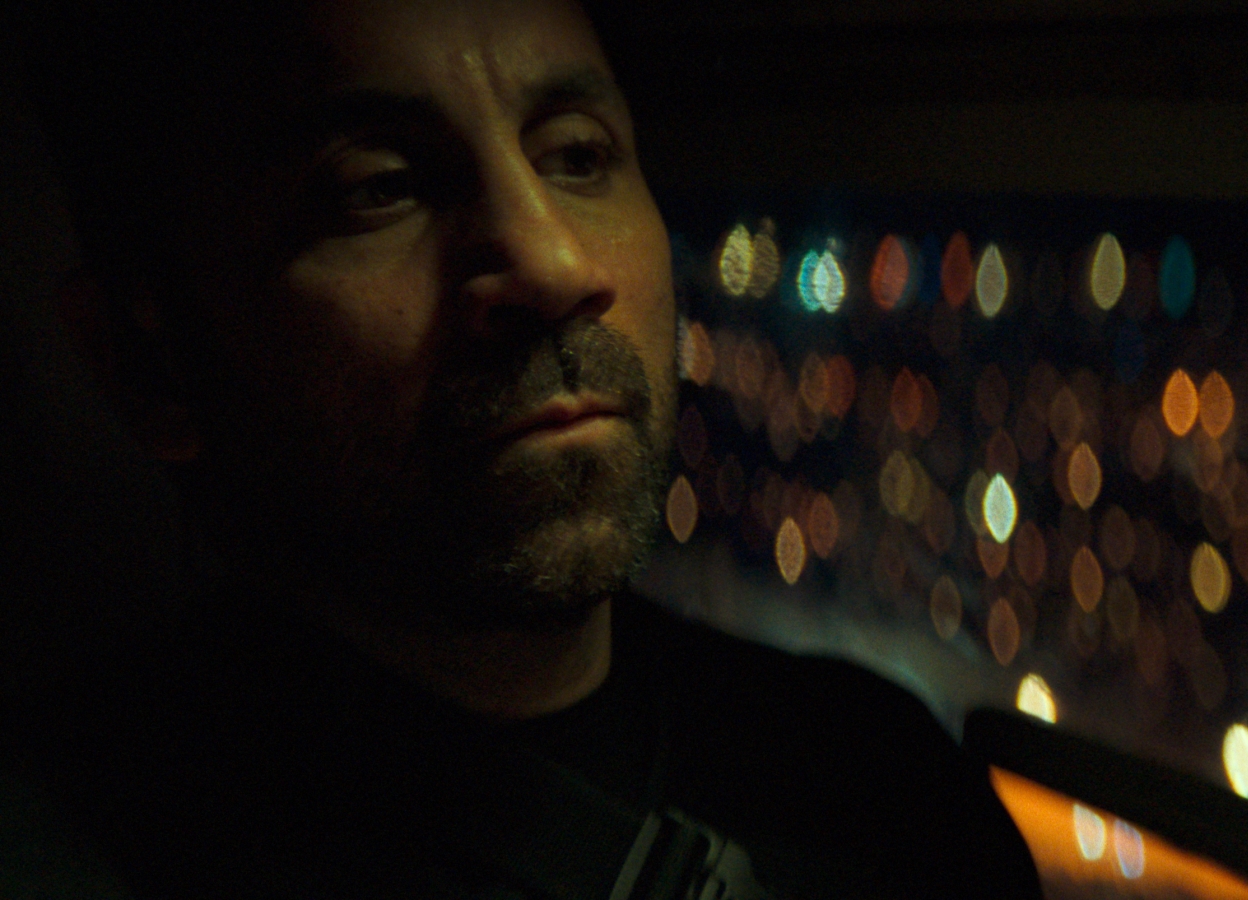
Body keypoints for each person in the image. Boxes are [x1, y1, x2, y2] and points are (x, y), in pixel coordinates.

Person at [13, 1, 1043, 897]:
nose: (552, 264)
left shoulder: (881, 790)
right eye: (376, 187)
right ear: (148, 367)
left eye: (579, 156)